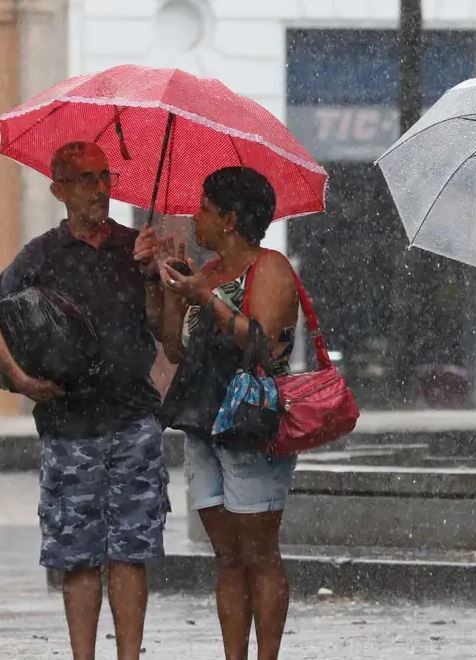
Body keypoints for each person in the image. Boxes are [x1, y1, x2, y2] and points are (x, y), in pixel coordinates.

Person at [0, 141, 168, 660]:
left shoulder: (133, 247)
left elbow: (165, 332)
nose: (100, 189)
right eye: (86, 179)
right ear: (59, 190)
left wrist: (153, 278)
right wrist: (21, 380)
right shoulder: (41, 256)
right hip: (69, 426)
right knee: (77, 556)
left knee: (131, 552)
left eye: (105, 177)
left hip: (134, 420)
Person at [157, 166, 299, 660]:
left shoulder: (271, 268)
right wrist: (174, 290)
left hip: (251, 425)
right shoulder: (209, 272)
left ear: (231, 219)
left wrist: (207, 300)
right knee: (228, 556)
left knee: (260, 554)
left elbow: (261, 343)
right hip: (203, 424)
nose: (196, 218)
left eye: (205, 209)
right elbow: (175, 350)